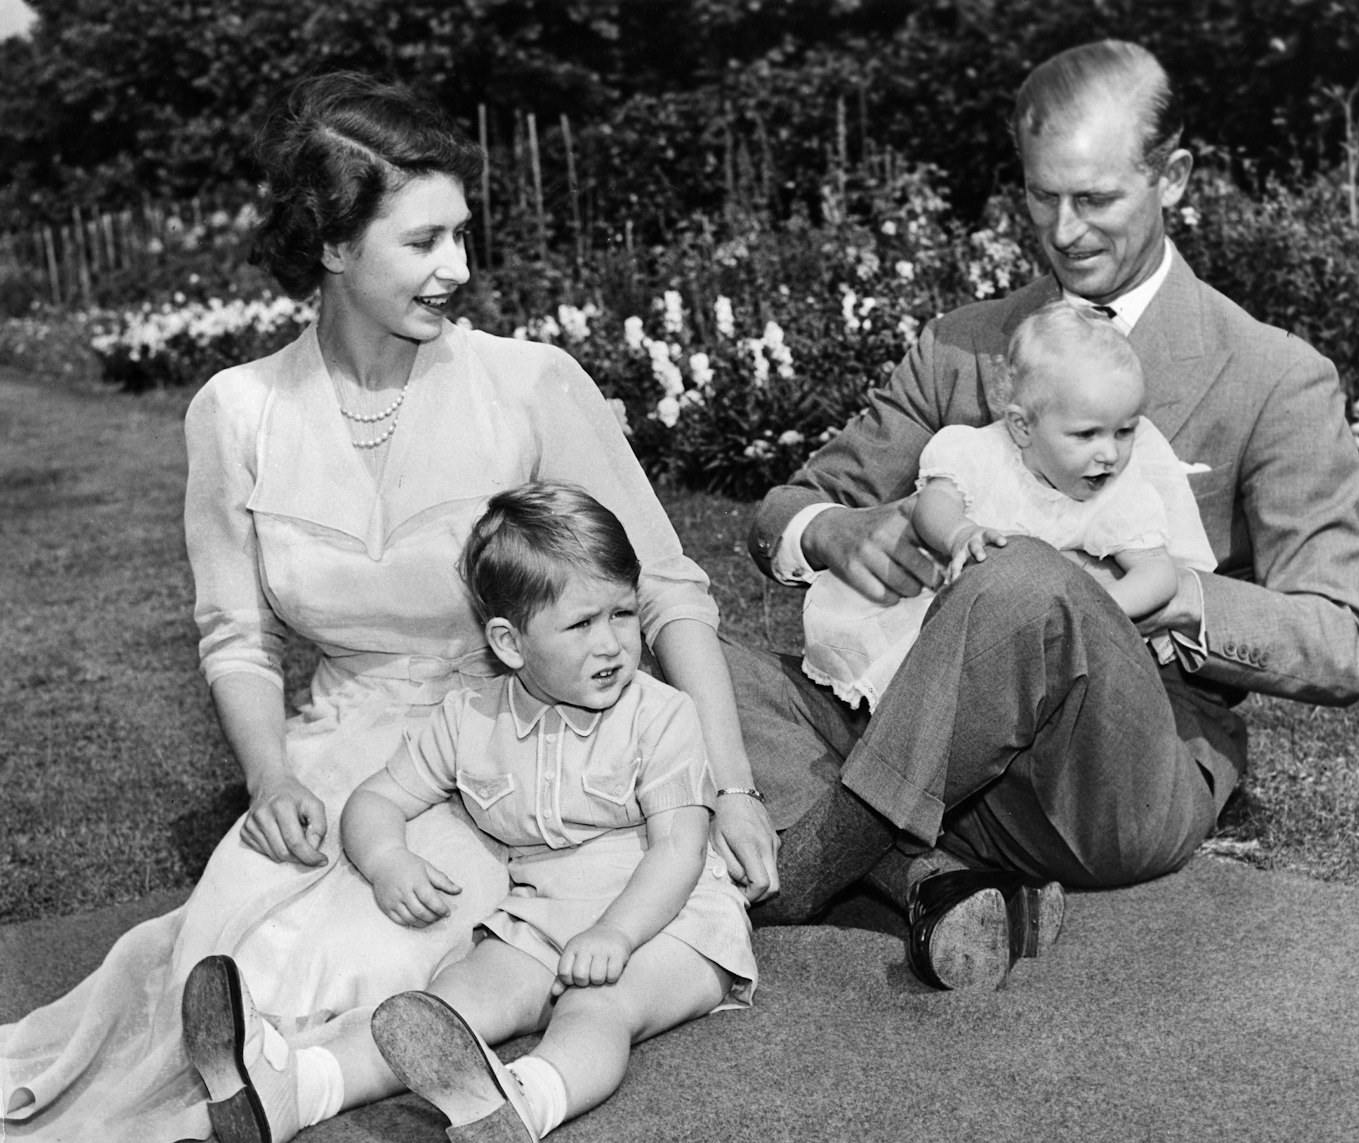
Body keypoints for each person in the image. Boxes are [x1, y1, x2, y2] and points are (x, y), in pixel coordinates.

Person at [1, 71, 776, 1142]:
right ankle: (262, 1077)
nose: (459, 267)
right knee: (236, 951)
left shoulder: (529, 382)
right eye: (423, 242)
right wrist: (271, 780)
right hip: (343, 754)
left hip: (510, 741)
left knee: (378, 959)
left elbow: (668, 593)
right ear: (330, 245)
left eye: (462, 234)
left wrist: (729, 788)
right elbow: (237, 635)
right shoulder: (237, 413)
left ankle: (310, 1076)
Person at [727, 39, 1359, 990]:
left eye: (1096, 199)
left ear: (1175, 177)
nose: (1064, 231)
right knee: (693, 662)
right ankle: (939, 883)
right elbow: (790, 503)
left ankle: (803, 872)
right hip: (927, 742)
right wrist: (828, 532)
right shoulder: (963, 346)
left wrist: (1169, 599)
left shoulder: (1274, 373)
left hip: (1110, 771)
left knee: (1027, 579)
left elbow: (1349, 642)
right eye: (1041, 197)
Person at [181, 483, 757, 1143]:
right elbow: (376, 800)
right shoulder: (470, 718)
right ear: (510, 643)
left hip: (671, 925)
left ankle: (524, 1102)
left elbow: (680, 849)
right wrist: (388, 858)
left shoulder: (660, 715)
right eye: (580, 623)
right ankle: (297, 1088)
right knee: (451, 997)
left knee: (598, 1006)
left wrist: (617, 934)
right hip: (540, 923)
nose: (612, 645)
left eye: (622, 614)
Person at [803, 300, 1215, 715]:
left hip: (1030, 644)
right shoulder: (980, 453)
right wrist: (960, 533)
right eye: (1086, 434)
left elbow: (1158, 572)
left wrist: (1094, 609)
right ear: (1022, 426)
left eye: (1124, 431)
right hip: (939, 621)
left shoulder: (1115, 491)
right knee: (914, 704)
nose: (1110, 453)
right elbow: (933, 505)